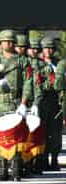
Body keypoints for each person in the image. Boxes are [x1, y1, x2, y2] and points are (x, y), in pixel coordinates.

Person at [0, 30, 33, 181]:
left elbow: (28, 82)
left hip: (15, 102)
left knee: (16, 136)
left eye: (11, 41)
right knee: (0, 136)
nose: (8, 44)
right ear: (0, 43)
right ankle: (3, 170)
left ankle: (16, 169)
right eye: (5, 41)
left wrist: (24, 102)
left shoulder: (22, 61)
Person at [40, 37, 62, 170]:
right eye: (46, 48)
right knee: (42, 131)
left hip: (56, 102)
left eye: (51, 48)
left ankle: (54, 159)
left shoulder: (59, 64)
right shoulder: (38, 64)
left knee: (55, 132)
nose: (48, 51)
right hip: (43, 101)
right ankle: (42, 160)